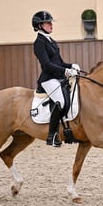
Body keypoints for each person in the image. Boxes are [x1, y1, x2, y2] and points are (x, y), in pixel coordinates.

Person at [32, 10, 80, 147]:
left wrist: (71, 66)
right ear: (39, 25)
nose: (51, 25)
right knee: (60, 101)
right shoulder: (39, 43)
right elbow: (47, 65)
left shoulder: (50, 40)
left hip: (56, 76)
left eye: (51, 22)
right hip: (48, 79)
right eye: (48, 23)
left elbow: (59, 62)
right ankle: (52, 135)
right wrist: (66, 71)